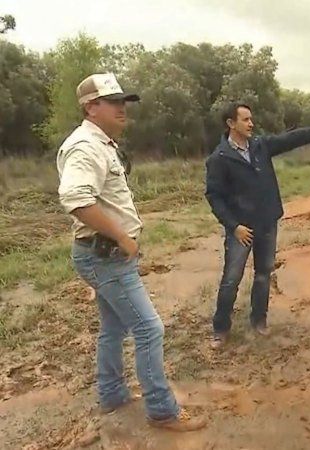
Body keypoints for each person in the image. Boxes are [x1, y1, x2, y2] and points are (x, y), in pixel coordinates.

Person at [56, 72, 207, 431]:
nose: (122, 109)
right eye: (113, 102)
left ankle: (112, 394)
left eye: (123, 102)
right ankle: (162, 410)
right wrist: (123, 237)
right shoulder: (85, 146)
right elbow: (76, 200)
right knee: (149, 328)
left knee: (113, 327)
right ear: (91, 107)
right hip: (105, 254)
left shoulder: (101, 143)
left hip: (102, 252)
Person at [204, 102, 310, 347]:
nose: (251, 124)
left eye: (251, 119)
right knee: (231, 279)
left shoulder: (260, 146)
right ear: (231, 124)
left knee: (263, 275)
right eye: (245, 120)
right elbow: (214, 196)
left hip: (266, 224)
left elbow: (292, 138)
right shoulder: (219, 159)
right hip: (241, 230)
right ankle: (220, 329)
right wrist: (233, 226)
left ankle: (258, 321)